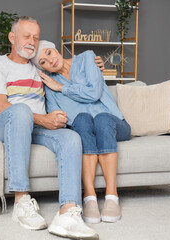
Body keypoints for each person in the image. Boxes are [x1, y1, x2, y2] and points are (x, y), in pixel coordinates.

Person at [0, 16, 103, 239]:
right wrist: (44, 119)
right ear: (12, 37)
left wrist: (94, 65)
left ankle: (67, 213)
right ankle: (21, 201)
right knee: (20, 110)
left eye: (35, 37)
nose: (31, 41)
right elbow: (0, 107)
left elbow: (71, 72)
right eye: (26, 36)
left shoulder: (40, 70)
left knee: (70, 138)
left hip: (32, 128)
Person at [31, 40, 131, 224]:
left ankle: (112, 196)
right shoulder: (49, 84)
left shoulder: (87, 57)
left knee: (101, 118)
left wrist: (62, 88)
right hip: (85, 130)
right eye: (43, 62)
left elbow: (94, 93)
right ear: (42, 69)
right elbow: (60, 116)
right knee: (83, 119)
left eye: (49, 52)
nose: (50, 60)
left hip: (114, 123)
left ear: (55, 49)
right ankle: (90, 198)